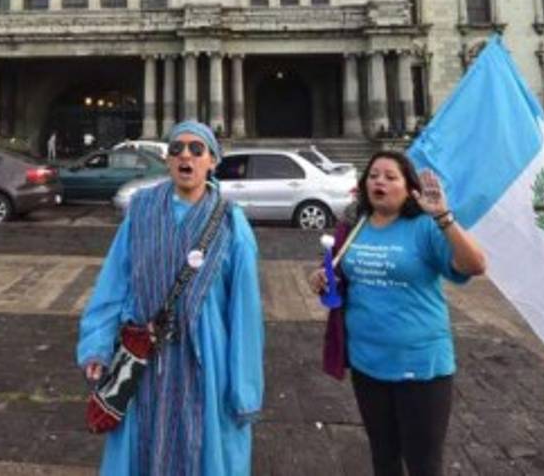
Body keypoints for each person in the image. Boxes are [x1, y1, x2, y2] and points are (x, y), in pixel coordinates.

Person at [77, 119, 263, 475]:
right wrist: (97, 343)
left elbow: (245, 312)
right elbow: (114, 280)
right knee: (140, 450)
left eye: (197, 149)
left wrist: (244, 388)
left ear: (212, 161)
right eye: (176, 149)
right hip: (144, 355)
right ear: (167, 159)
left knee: (203, 448)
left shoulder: (230, 222)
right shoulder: (142, 209)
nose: (186, 156)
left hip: (205, 355)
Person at [309, 151, 487, 476]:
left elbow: (475, 265)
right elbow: (337, 273)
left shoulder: (425, 227)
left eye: (391, 177)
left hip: (420, 366)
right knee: (383, 457)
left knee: (423, 464)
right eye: (374, 175)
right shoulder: (355, 225)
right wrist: (320, 278)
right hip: (367, 362)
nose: (380, 181)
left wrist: (444, 217)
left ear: (409, 188)